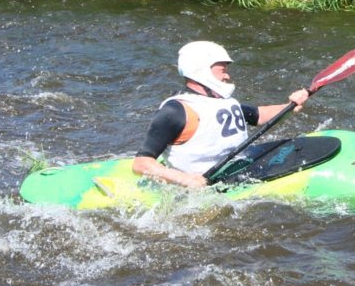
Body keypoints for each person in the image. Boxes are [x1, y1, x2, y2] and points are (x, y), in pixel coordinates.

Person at [132, 40, 310, 188]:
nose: (227, 77)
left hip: (235, 171)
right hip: (199, 186)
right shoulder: (176, 110)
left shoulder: (225, 102)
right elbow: (141, 162)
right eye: (223, 71)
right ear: (201, 70)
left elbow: (259, 115)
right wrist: (184, 179)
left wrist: (291, 105)